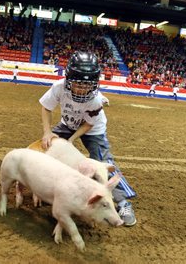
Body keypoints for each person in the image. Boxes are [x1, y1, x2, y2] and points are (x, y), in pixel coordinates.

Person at [39, 51, 137, 226]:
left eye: (87, 85)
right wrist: (47, 133)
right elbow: (46, 107)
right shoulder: (58, 87)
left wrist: (71, 140)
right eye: (78, 84)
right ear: (69, 80)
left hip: (93, 130)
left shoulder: (96, 99)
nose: (83, 89)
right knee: (46, 149)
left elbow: (88, 125)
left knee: (104, 162)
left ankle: (123, 203)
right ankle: (45, 189)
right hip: (67, 124)